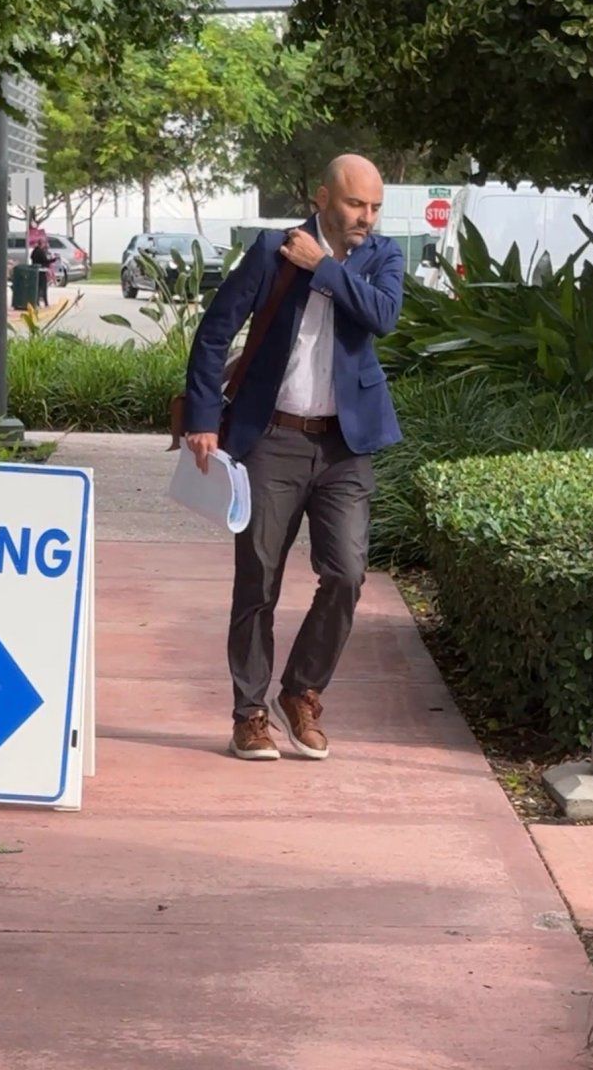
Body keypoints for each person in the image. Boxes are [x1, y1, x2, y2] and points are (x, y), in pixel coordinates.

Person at [184, 154, 404, 762]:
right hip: (272, 439)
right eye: (357, 204)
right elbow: (214, 332)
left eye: (375, 206)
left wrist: (326, 268)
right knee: (258, 578)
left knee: (348, 572)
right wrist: (203, 419)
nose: (367, 216)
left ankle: (302, 691)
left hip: (345, 445)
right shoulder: (271, 250)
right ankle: (250, 713)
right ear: (323, 197)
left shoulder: (383, 256)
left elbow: (383, 315)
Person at [30, 235, 54, 307]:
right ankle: (45, 302)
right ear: (42, 244)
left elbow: (32, 258)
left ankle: (37, 302)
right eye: (44, 243)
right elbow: (45, 261)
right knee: (43, 287)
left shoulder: (34, 251)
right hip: (41, 271)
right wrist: (54, 260)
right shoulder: (41, 251)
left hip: (35, 271)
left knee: (37, 287)